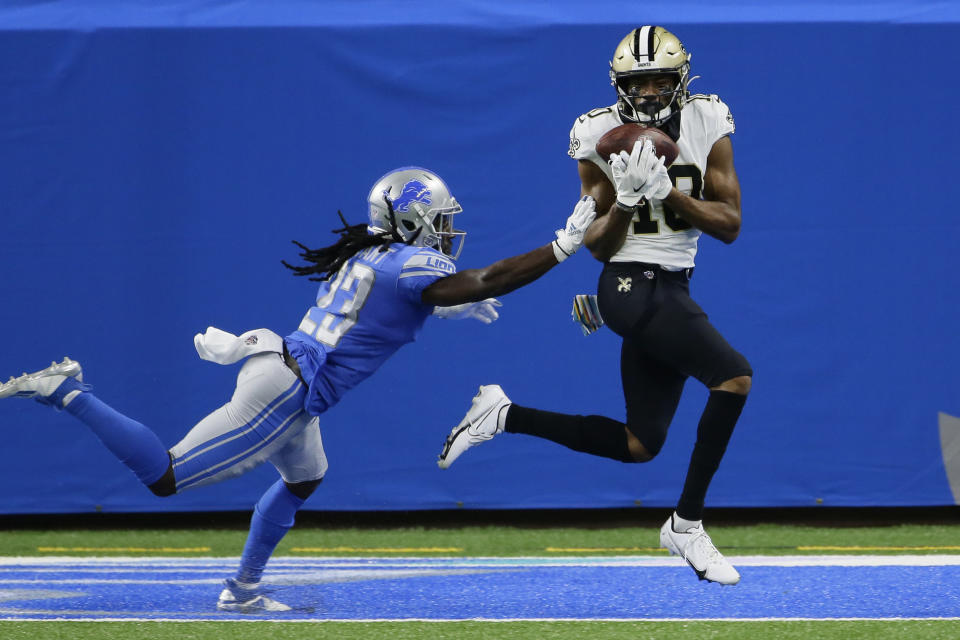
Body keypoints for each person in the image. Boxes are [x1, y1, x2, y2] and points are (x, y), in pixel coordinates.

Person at [0, 166, 596, 611]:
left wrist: (447, 308)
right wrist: (564, 246)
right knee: (166, 477)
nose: (446, 230)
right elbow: (485, 277)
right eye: (440, 219)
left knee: (306, 477)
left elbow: (381, 309)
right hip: (288, 391)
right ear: (413, 218)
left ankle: (243, 589)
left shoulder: (371, 254)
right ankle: (66, 392)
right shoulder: (405, 265)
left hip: (287, 371)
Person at [437, 26, 751, 586]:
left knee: (640, 445)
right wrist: (629, 201)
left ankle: (502, 414)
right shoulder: (597, 131)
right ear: (618, 84)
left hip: (674, 286)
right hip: (627, 282)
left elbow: (730, 225)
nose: (650, 91)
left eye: (660, 79)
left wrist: (669, 194)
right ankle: (687, 523)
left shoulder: (708, 117)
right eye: (639, 81)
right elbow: (598, 244)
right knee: (733, 378)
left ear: (682, 80)